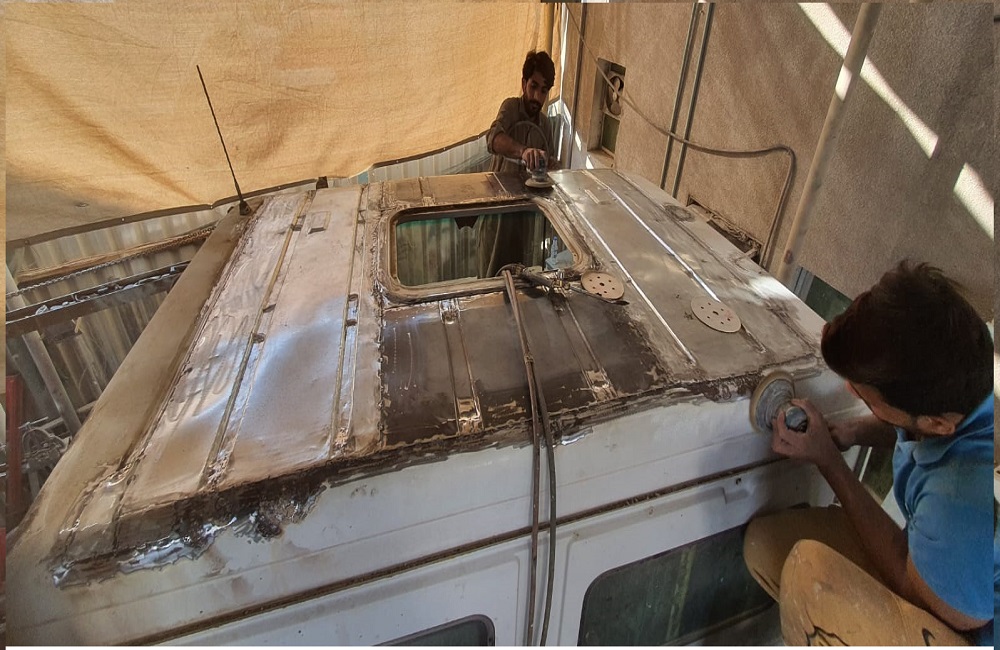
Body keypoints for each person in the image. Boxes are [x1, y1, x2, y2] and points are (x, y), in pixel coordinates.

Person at [743, 261, 996, 646]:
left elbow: (927, 598)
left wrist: (829, 463)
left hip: (965, 625)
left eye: (866, 396)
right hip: (952, 566)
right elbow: (916, 430)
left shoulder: (959, 503)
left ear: (936, 422)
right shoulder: (968, 375)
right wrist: (854, 431)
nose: (850, 391)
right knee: (766, 545)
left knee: (810, 579)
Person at [487, 50, 559, 175]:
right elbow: (493, 140)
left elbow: (549, 161)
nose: (537, 97)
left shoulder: (545, 125)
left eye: (543, 91)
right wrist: (523, 151)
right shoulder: (511, 107)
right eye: (533, 86)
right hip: (499, 185)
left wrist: (551, 166)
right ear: (524, 84)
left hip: (529, 187)